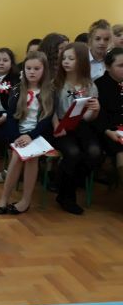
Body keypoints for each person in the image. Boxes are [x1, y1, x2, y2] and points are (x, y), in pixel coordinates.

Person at [0, 51, 54, 215]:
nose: (32, 72)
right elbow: (11, 116)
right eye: (28, 68)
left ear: (44, 70)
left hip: (37, 134)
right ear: (24, 70)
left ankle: (25, 200)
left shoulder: (49, 92)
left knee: (31, 158)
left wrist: (30, 136)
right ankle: (4, 198)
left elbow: (46, 119)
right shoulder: (17, 90)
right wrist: (17, 137)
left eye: (36, 68)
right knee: (17, 156)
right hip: (18, 134)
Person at [51, 43, 101, 215]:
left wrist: (96, 110)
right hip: (61, 126)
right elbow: (50, 110)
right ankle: (67, 197)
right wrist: (57, 126)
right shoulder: (56, 84)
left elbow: (88, 118)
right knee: (72, 153)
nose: (66, 61)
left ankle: (65, 183)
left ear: (81, 61)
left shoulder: (89, 85)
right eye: (64, 58)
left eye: (71, 58)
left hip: (81, 125)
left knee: (94, 152)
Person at [94, 47, 123, 183]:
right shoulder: (99, 85)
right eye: (120, 66)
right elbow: (97, 116)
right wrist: (108, 131)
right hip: (108, 131)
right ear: (108, 66)